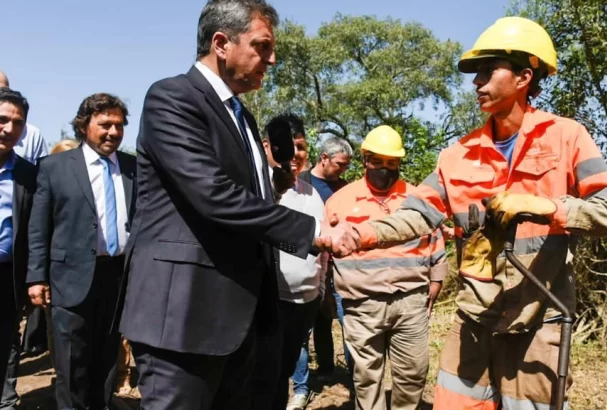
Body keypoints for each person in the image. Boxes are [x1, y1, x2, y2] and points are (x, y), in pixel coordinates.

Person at [338, 17, 607, 409]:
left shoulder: (566, 137)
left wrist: (544, 206)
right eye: (477, 73)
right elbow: (417, 214)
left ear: (524, 77)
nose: (478, 82)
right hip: (474, 320)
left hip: (539, 321)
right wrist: (358, 235)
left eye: (489, 71)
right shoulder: (457, 155)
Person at [117, 1, 357, 409]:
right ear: (221, 43)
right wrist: (313, 233)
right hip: (184, 318)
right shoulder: (173, 98)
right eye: (262, 46)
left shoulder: (241, 116)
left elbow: (248, 198)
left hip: (240, 317)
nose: (273, 58)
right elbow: (214, 196)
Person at [27, 93, 136, 410]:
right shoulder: (55, 168)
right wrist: (36, 277)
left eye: (119, 125)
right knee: (73, 363)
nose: (113, 132)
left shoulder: (134, 168)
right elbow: (39, 227)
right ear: (84, 125)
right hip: (70, 278)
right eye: (105, 125)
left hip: (117, 278)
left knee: (106, 359)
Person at [326, 125, 447, 410]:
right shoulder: (340, 201)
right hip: (361, 304)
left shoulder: (416, 198)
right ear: (365, 159)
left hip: (411, 302)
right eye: (377, 161)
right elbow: (326, 253)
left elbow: (436, 244)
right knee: (367, 377)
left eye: (392, 163)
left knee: (413, 373)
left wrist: (436, 283)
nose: (384, 168)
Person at [249, 114, 327, 410]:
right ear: (267, 146)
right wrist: (277, 191)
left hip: (304, 304)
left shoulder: (312, 194)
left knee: (282, 374)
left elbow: (323, 249)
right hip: (269, 303)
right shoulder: (257, 187)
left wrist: (318, 293)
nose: (295, 155)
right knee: (261, 377)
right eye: (287, 146)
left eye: (301, 146)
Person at [291, 137, 353, 410]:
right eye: (340, 165)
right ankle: (302, 387)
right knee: (305, 329)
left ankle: (352, 381)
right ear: (324, 157)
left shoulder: (346, 189)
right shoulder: (300, 182)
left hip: (341, 271)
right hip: (308, 267)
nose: (343, 171)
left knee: (347, 325)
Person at [0, 73, 48, 410]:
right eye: (2, 119)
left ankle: (5, 400)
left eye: (18, 123)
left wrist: (34, 276)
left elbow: (36, 230)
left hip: (7, 274)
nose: (9, 128)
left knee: (6, 341)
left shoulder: (28, 175)